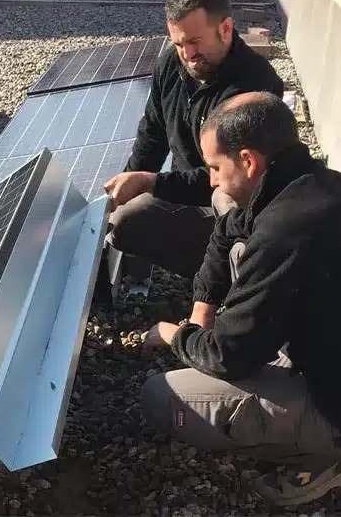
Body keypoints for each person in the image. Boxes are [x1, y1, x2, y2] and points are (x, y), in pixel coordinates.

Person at [140, 91, 341, 507]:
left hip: (334, 401)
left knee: (161, 398)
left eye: (215, 167)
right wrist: (203, 303)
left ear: (248, 160)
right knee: (236, 246)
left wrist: (177, 335)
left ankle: (323, 457)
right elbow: (229, 227)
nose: (210, 179)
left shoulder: (285, 232)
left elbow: (229, 356)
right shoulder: (312, 184)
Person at [103, 0, 284, 279]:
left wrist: (150, 183)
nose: (187, 54)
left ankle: (230, 279)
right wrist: (125, 188)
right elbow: (152, 134)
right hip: (186, 189)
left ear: (225, 29)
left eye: (195, 42)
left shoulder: (252, 88)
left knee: (128, 223)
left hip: (233, 203)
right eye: (178, 43)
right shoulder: (171, 66)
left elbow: (226, 179)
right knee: (121, 216)